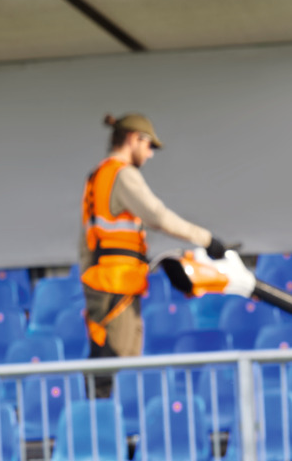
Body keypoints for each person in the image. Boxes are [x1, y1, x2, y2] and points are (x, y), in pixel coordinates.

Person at [79, 112, 223, 363]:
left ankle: (101, 401)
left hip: (104, 283)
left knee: (105, 358)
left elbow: (85, 242)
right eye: (148, 145)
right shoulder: (122, 174)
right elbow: (157, 216)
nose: (150, 153)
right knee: (121, 362)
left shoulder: (96, 177)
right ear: (133, 139)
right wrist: (207, 240)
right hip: (117, 284)